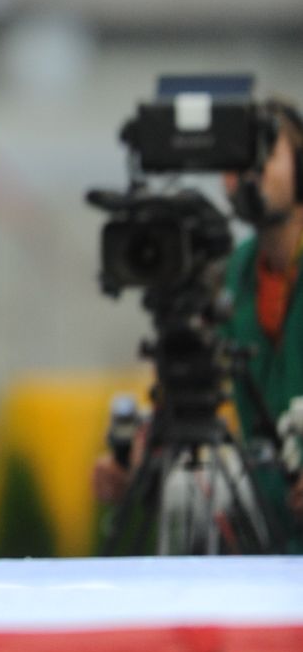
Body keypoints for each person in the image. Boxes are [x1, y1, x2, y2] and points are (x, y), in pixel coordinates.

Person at [94, 99, 303, 546]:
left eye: (263, 153)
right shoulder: (233, 274)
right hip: (274, 532)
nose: (247, 171)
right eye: (233, 160)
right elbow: (207, 383)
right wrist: (137, 457)